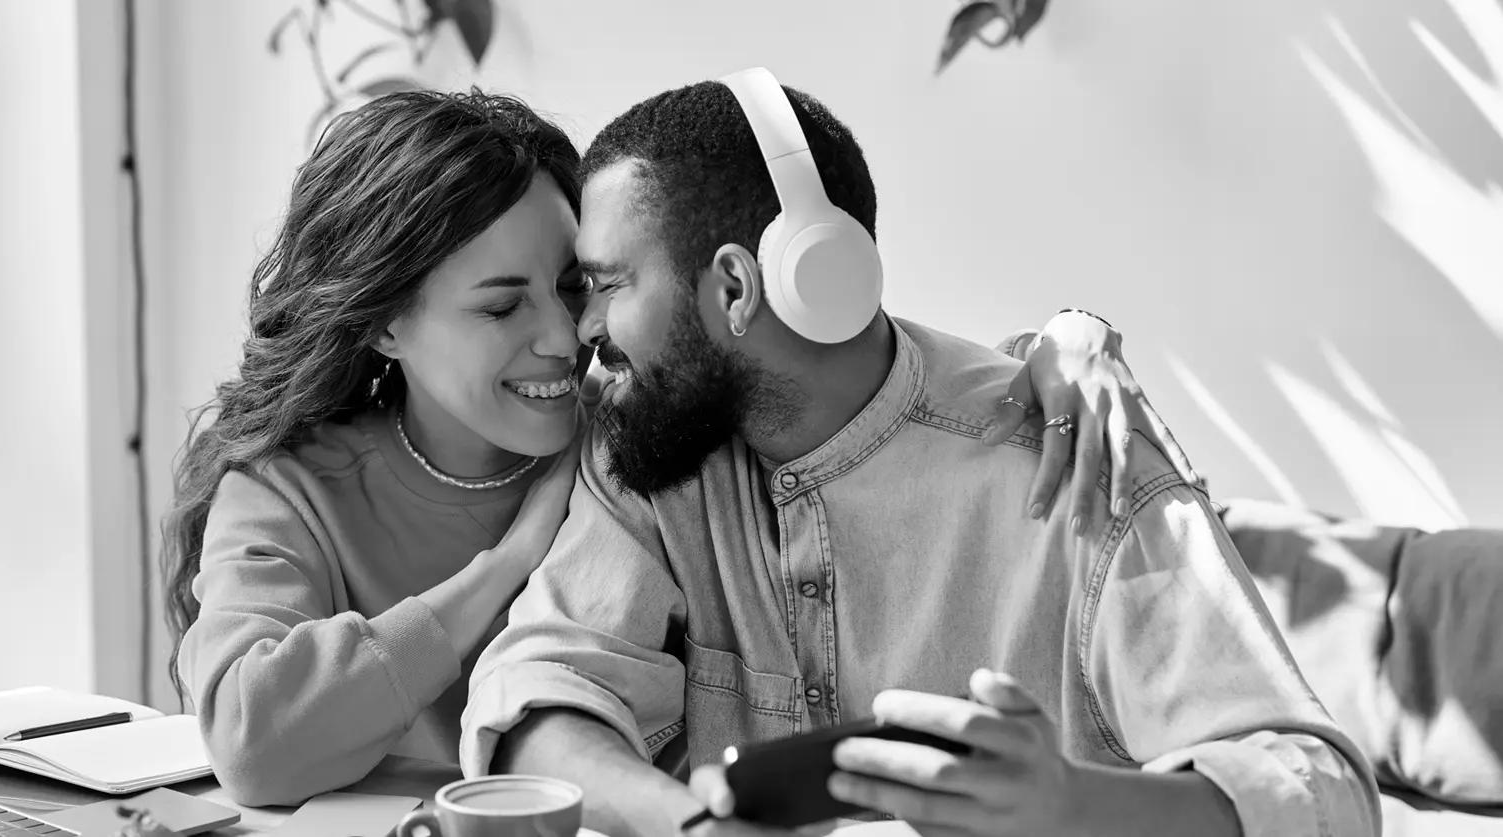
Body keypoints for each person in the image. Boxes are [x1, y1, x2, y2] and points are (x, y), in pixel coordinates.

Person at [163, 89, 1198, 808]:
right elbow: (257, 745)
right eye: (498, 305)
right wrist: (505, 566)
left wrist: (1061, 340)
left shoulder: (642, 430)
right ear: (384, 323)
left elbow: (838, 376)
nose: (564, 338)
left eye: (578, 287)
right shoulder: (290, 491)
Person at [459, 78, 1381, 836]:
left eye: (607, 286)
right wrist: (693, 828)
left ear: (736, 287)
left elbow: (1322, 791)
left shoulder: (1074, 459)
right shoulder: (656, 452)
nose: (580, 330)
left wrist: (1068, 805)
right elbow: (539, 696)